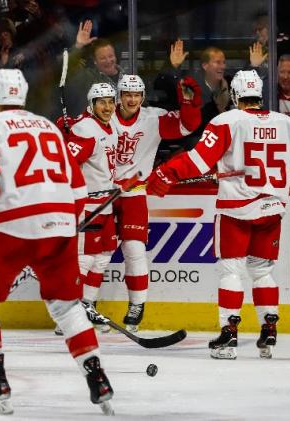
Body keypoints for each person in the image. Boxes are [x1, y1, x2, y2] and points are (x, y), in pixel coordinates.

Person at [0, 69, 114, 415]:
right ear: (23, 96)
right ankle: (97, 376)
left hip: (14, 223)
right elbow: (77, 191)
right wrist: (59, 226)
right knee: (67, 306)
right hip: (61, 223)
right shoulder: (49, 128)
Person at [146, 70, 290, 360]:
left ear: (237, 96)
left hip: (237, 210)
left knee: (231, 270)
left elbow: (199, 160)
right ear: (259, 94)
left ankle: (228, 335)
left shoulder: (226, 121)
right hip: (272, 211)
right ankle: (269, 330)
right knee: (262, 271)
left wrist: (167, 171)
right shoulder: (284, 122)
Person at [109, 73, 201, 331]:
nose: (132, 99)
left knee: (134, 250)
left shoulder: (153, 118)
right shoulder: (104, 114)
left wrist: (189, 103)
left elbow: (187, 126)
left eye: (136, 95)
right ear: (119, 96)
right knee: (96, 255)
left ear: (143, 96)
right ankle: (84, 306)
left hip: (134, 193)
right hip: (104, 193)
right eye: (127, 94)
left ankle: (136, 306)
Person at [62, 82, 119, 334]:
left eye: (110, 101)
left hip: (105, 204)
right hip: (89, 206)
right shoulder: (85, 130)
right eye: (101, 102)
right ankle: (68, 317)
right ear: (91, 104)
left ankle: (87, 307)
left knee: (103, 256)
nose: (107, 106)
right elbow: (65, 163)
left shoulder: (107, 125)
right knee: (84, 259)